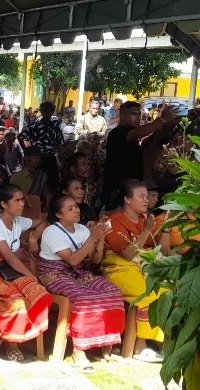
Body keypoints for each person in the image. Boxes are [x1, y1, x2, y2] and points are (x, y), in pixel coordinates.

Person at [38, 195, 124, 372]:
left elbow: (96, 259)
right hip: (53, 274)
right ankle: (80, 350)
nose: (76, 210)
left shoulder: (82, 230)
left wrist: (99, 239)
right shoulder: (52, 232)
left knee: (113, 291)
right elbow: (73, 260)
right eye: (70, 208)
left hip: (78, 273)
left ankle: (105, 348)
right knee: (83, 297)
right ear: (58, 214)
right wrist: (93, 236)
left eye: (76, 206)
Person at [0, 184, 51, 362]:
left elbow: (42, 222)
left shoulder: (18, 221)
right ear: (3, 203)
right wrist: (31, 276)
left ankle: (7, 335)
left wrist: (33, 238)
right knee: (15, 300)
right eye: (17, 200)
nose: (22, 204)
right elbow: (9, 257)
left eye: (22, 199)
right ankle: (10, 344)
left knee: (40, 293)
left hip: (9, 270)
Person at [103, 180, 169, 362]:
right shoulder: (114, 221)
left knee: (167, 289)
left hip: (144, 264)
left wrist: (167, 228)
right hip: (119, 267)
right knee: (145, 292)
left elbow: (162, 251)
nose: (147, 200)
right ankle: (140, 347)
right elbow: (128, 254)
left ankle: (162, 343)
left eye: (147, 196)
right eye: (142, 196)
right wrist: (147, 229)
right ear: (127, 200)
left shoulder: (146, 219)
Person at [101, 102, 179, 208]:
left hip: (132, 190)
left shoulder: (132, 138)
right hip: (117, 193)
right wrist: (162, 119)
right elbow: (139, 132)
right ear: (122, 116)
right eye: (134, 114)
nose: (138, 117)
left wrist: (174, 120)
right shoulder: (117, 133)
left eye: (139, 114)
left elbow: (155, 133)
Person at [18, 102, 64, 189]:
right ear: (42, 112)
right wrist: (27, 151)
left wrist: (63, 162)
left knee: (52, 185)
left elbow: (59, 144)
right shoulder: (35, 126)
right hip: (38, 159)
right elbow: (20, 137)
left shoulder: (56, 125)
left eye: (49, 111)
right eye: (44, 111)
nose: (47, 113)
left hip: (51, 158)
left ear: (52, 112)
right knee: (38, 184)